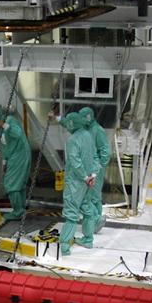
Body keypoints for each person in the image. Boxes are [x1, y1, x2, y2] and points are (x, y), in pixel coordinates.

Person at [58, 112, 98, 254]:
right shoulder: (88, 136)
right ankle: (88, 240)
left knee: (71, 212)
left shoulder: (72, 140)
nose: (67, 125)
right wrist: (93, 175)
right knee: (87, 209)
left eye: (68, 123)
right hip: (89, 181)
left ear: (72, 124)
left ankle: (64, 246)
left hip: (76, 182)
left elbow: (75, 162)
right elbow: (95, 157)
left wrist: (84, 177)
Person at [0, 104, 30, 220]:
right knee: (18, 183)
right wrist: (5, 162)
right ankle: (21, 208)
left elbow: (18, 134)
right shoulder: (0, 127)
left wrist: (4, 125)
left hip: (20, 155)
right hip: (13, 155)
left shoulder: (10, 121)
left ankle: (18, 211)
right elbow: (5, 146)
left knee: (11, 183)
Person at [77, 106, 110, 236]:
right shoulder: (85, 129)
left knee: (94, 196)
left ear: (89, 117)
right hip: (87, 169)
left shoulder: (97, 130)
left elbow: (105, 152)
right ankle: (91, 222)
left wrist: (97, 169)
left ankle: (96, 222)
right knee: (87, 196)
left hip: (95, 170)